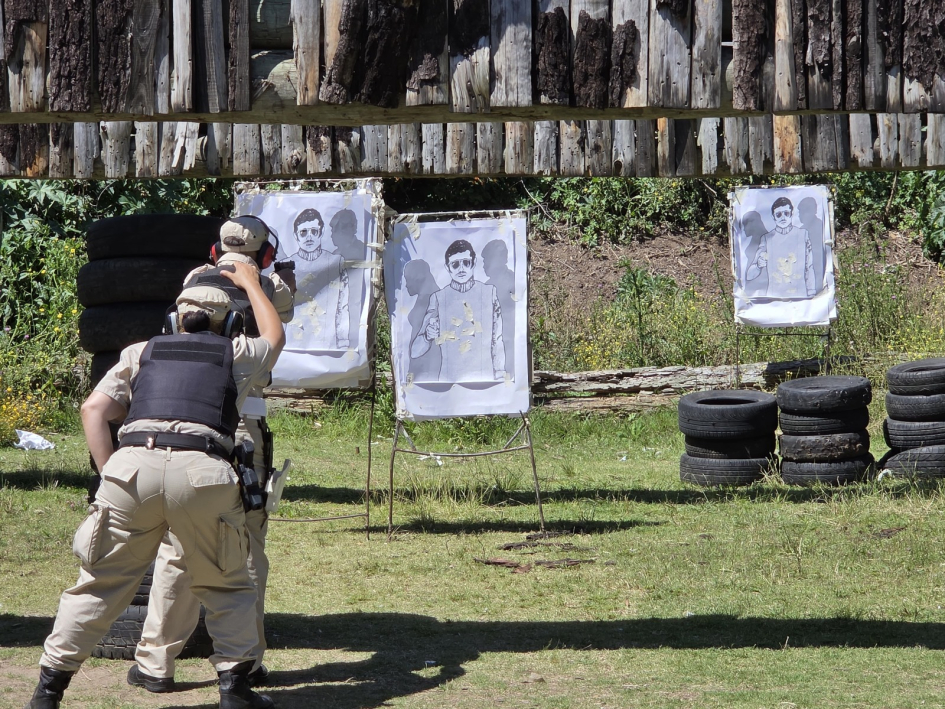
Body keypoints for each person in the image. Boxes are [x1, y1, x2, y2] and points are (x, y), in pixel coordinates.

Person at [25, 263, 284, 709]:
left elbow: (93, 410)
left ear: (173, 319)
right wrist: (248, 282)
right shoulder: (236, 352)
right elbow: (275, 336)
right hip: (202, 472)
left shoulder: (139, 351)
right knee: (226, 586)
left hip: (131, 469)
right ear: (230, 324)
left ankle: (48, 691)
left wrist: (111, 473)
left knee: (98, 585)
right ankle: (235, 691)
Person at [128, 217, 296, 694]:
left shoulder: (193, 280)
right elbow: (278, 327)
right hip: (239, 429)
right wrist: (268, 280)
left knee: (178, 546)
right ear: (265, 254)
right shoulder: (269, 287)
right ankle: (247, 661)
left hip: (185, 418)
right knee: (246, 546)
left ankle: (155, 663)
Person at [409, 239, 505, 382]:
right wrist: (427, 336)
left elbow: (497, 338)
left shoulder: (489, 293)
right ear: (447, 267)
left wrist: (500, 374)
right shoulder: (438, 298)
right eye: (455, 264)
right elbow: (415, 352)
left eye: (466, 262)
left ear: (474, 263)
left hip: (484, 377)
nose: (461, 269)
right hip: (449, 382)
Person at [286, 208, 350, 350]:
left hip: (328, 344)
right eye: (303, 232)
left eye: (314, 231)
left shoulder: (336, 263)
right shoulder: (285, 266)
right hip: (291, 344)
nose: (309, 237)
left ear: (321, 232)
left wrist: (343, 341)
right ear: (296, 235)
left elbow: (343, 305)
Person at [745, 197, 816, 298]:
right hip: (775, 297)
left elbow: (809, 266)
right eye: (778, 214)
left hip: (799, 294)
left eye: (786, 213)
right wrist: (758, 266)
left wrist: (811, 292)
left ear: (791, 214)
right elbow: (749, 275)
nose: (783, 217)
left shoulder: (803, 234)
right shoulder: (766, 239)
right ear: (773, 217)